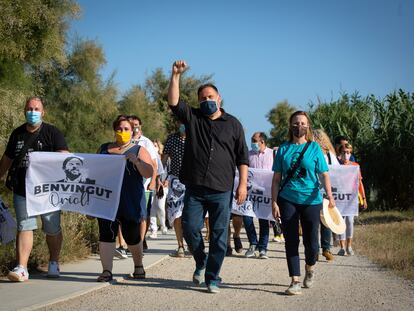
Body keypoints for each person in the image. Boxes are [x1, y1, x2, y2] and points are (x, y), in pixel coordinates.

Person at [168, 60, 249, 293]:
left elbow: (243, 157)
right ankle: (201, 261)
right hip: (195, 188)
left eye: (210, 97)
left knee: (219, 235)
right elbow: (173, 102)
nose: (207, 101)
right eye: (202, 98)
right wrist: (175, 76)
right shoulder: (193, 118)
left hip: (222, 190)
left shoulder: (234, 125)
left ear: (219, 98)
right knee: (191, 228)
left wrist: (242, 185)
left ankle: (213, 277)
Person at [0, 96, 68, 282]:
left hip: (48, 191)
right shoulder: (17, 134)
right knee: (25, 226)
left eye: (36, 109)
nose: (33, 112)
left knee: (52, 228)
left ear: (43, 112)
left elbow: (65, 157)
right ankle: (21, 268)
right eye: (29, 108)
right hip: (22, 190)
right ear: (24, 111)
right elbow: (7, 159)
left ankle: (54, 262)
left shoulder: (52, 133)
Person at [271, 111, 335, 295]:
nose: (300, 126)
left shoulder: (314, 148)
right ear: (291, 125)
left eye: (303, 123)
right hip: (287, 199)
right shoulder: (283, 149)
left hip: (311, 200)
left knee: (311, 243)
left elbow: (324, 174)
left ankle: (310, 267)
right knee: (291, 240)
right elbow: (276, 179)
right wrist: (274, 201)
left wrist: (330, 196)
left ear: (308, 126)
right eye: (296, 123)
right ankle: (295, 281)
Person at [95, 115, 153, 282]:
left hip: (130, 199)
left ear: (132, 131)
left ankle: (138, 266)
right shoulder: (104, 149)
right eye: (119, 129)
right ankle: (106, 271)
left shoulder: (139, 150)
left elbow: (149, 172)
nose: (123, 131)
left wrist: (137, 162)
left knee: (132, 235)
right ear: (114, 131)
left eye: (126, 129)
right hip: (106, 198)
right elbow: (93, 172)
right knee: (106, 233)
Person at [128, 115, 159, 252]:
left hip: (144, 184)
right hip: (128, 183)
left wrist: (152, 181)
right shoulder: (125, 141)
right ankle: (130, 241)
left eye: (136, 124)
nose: (134, 126)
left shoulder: (146, 142)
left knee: (142, 214)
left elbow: (154, 164)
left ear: (140, 126)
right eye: (131, 124)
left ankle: (140, 241)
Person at [243, 132, 274, 259]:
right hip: (250, 192)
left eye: (254, 140)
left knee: (263, 220)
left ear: (262, 141)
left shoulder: (272, 154)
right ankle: (252, 244)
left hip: (266, 192)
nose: (252, 142)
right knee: (247, 217)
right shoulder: (249, 154)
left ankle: (263, 248)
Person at [313, 129, 340, 262]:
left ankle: (325, 248)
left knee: (326, 221)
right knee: (315, 222)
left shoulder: (330, 156)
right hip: (312, 192)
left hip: (324, 192)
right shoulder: (310, 153)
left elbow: (336, 173)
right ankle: (317, 249)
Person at [337, 143, 367, 256]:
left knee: (350, 221)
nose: (346, 154)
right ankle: (342, 247)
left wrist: (364, 198)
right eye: (344, 152)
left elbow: (359, 183)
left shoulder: (355, 166)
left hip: (351, 198)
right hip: (339, 197)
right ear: (340, 153)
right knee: (340, 222)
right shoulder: (336, 166)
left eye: (348, 152)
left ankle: (349, 246)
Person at [163, 123, 187, 257]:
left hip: (193, 181)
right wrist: (160, 178)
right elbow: (164, 160)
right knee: (176, 213)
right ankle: (180, 246)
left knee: (190, 215)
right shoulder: (171, 139)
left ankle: (192, 242)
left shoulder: (196, 138)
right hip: (175, 181)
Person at [148, 139, 168, 238]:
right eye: (152, 145)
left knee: (160, 207)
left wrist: (167, 181)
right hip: (152, 186)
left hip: (163, 187)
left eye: (155, 146)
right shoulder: (149, 158)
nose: (154, 147)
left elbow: (169, 171)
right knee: (152, 209)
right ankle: (154, 230)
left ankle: (163, 225)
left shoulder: (165, 158)